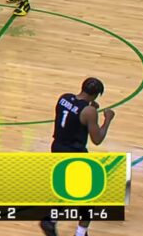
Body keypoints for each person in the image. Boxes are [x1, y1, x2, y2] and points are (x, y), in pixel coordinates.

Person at [39, 77, 115, 236]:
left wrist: (90, 109)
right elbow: (97, 139)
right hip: (74, 153)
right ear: (96, 95)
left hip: (57, 147)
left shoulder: (64, 98)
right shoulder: (89, 112)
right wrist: (107, 120)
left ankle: (51, 221)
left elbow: (73, 117)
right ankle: (80, 233)